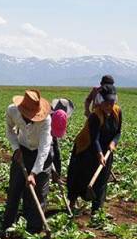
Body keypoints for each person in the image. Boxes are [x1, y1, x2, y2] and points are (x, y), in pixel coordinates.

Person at [2, 89, 52, 235]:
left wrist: (34, 173)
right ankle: (7, 225)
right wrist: (16, 148)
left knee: (39, 193)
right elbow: (9, 131)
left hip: (41, 155)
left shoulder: (46, 120)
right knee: (14, 189)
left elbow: (44, 148)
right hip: (22, 151)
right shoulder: (12, 111)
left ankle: (34, 231)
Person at [67, 84, 122, 214]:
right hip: (87, 148)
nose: (109, 106)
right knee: (80, 176)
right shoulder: (95, 116)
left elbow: (118, 132)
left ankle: (96, 210)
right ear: (101, 101)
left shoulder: (117, 112)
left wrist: (114, 143)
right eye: (106, 103)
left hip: (107, 149)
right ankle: (72, 203)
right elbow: (94, 138)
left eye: (112, 103)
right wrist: (99, 154)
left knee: (102, 178)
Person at [49, 98, 73, 180]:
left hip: (53, 133)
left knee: (57, 153)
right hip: (45, 132)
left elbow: (59, 129)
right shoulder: (47, 116)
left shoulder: (61, 116)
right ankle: (50, 174)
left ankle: (56, 176)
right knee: (48, 154)